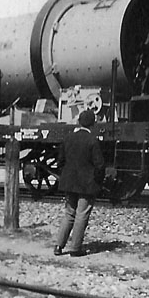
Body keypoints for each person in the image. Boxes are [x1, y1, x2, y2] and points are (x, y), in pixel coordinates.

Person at [53, 109, 105, 257]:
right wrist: (97, 181)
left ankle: (58, 246)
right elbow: (100, 165)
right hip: (86, 184)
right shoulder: (92, 141)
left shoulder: (68, 138)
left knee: (69, 213)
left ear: (79, 122)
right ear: (93, 124)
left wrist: (66, 176)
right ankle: (75, 249)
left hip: (69, 183)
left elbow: (60, 161)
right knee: (81, 214)